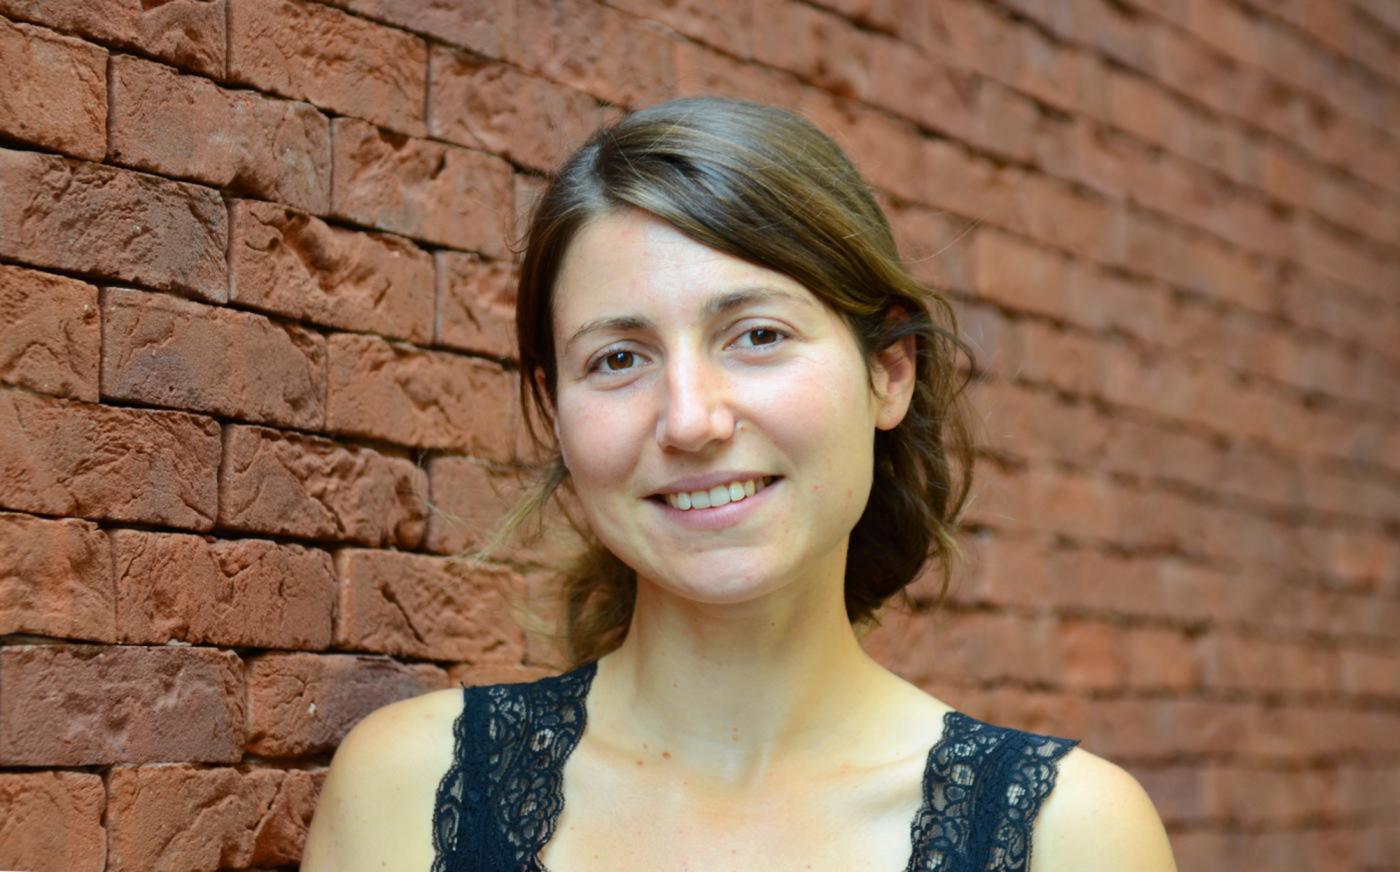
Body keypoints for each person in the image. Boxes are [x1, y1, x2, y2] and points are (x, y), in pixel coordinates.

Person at [301, 97, 1178, 872]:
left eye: (757, 336)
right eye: (618, 359)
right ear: (555, 409)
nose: (691, 421)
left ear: (890, 373)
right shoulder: (411, 793)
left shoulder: (1072, 837)